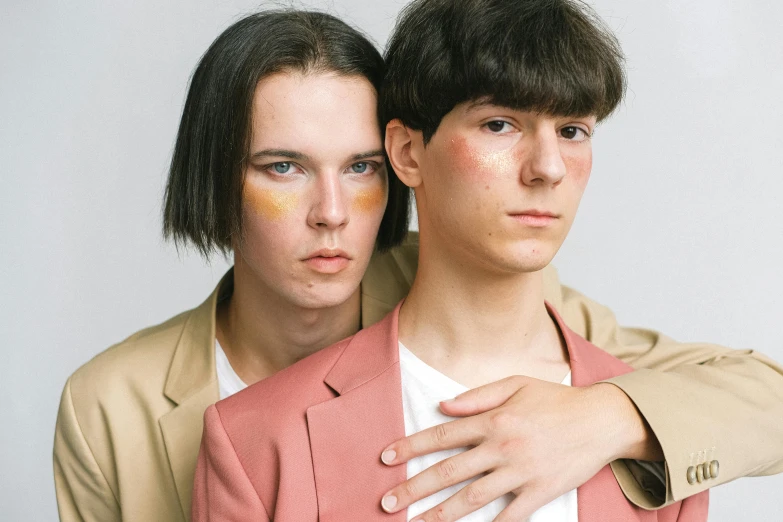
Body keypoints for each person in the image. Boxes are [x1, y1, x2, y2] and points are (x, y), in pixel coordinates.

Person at [55, 6, 783, 522]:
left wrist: (605, 417)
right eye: (283, 168)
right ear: (216, 178)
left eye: (362, 167)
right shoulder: (110, 408)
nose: (332, 212)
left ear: (400, 163)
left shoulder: (497, 307)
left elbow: (761, 399)